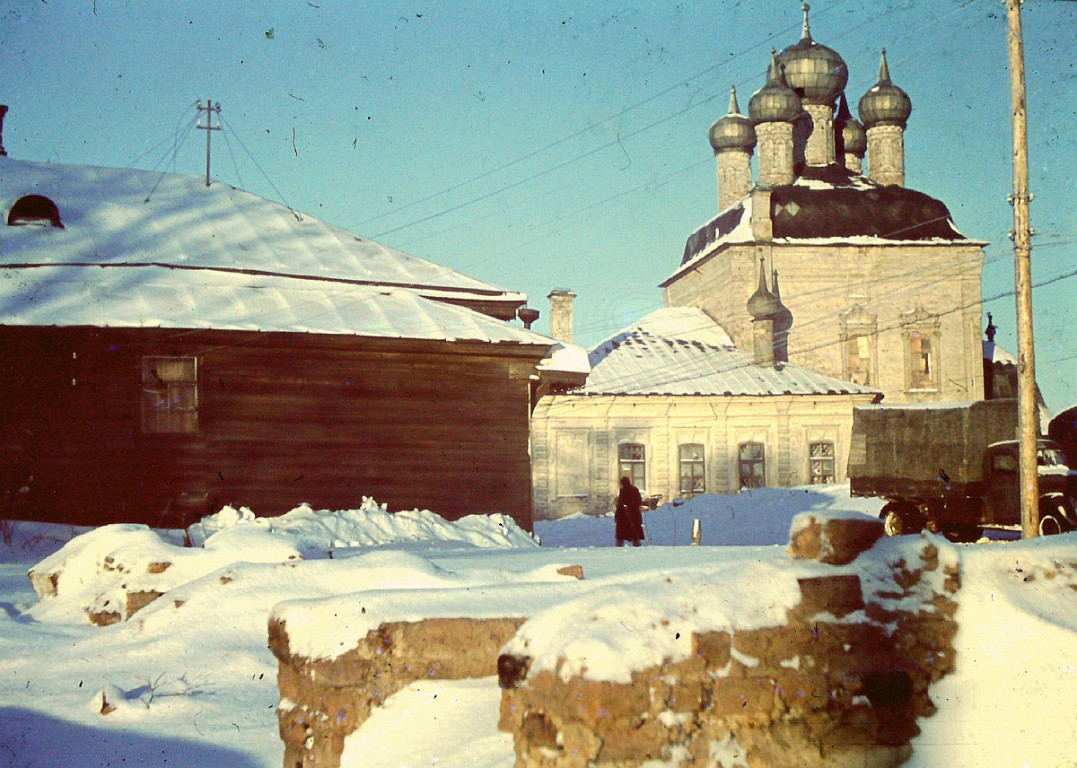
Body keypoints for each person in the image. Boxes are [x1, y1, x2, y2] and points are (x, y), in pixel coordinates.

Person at [615, 476, 645, 547]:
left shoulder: (623, 491)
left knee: (621, 534)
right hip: (634, 515)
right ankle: (637, 544)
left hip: (624, 516)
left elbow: (620, 503)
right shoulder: (635, 489)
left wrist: (617, 514)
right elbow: (639, 501)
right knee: (634, 532)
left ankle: (619, 546)